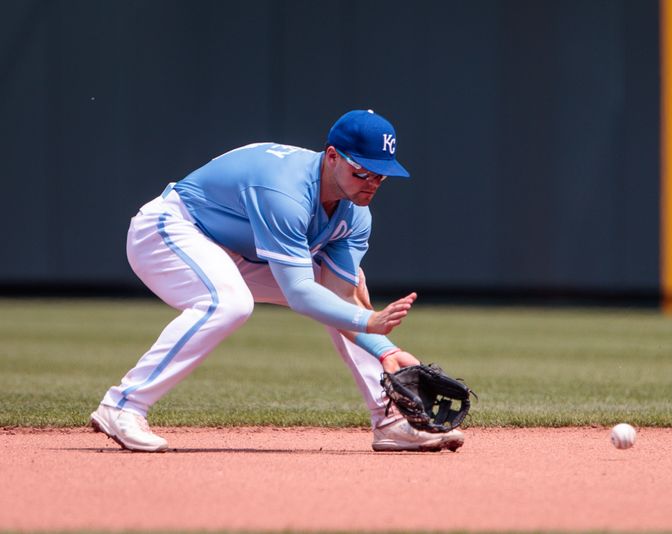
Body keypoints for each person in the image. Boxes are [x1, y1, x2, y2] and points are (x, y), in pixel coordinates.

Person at [90, 109, 464, 453]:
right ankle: (123, 405)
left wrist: (385, 350)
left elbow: (338, 297)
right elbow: (301, 294)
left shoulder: (356, 215)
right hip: (169, 230)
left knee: (345, 298)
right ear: (331, 156)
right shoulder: (284, 191)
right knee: (229, 302)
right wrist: (369, 323)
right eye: (362, 171)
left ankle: (391, 422)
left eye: (380, 174)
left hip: (237, 253)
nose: (372, 182)